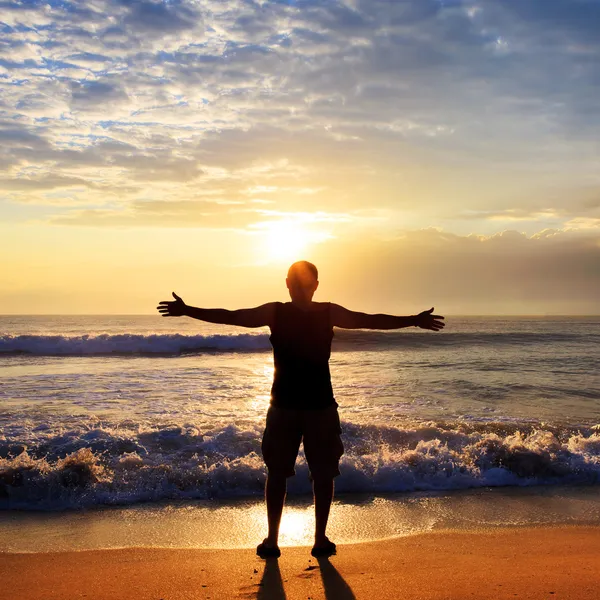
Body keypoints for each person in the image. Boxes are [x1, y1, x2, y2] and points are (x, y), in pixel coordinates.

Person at [157, 260, 444, 558]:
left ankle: (299, 540)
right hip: (294, 406)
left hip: (305, 407)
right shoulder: (285, 311)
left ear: (307, 285)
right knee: (289, 473)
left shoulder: (309, 311)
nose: (301, 288)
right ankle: (286, 540)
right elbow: (233, 317)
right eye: (299, 284)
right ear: (291, 285)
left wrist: (413, 320)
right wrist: (188, 310)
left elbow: (369, 319)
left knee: (313, 474)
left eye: (304, 284)